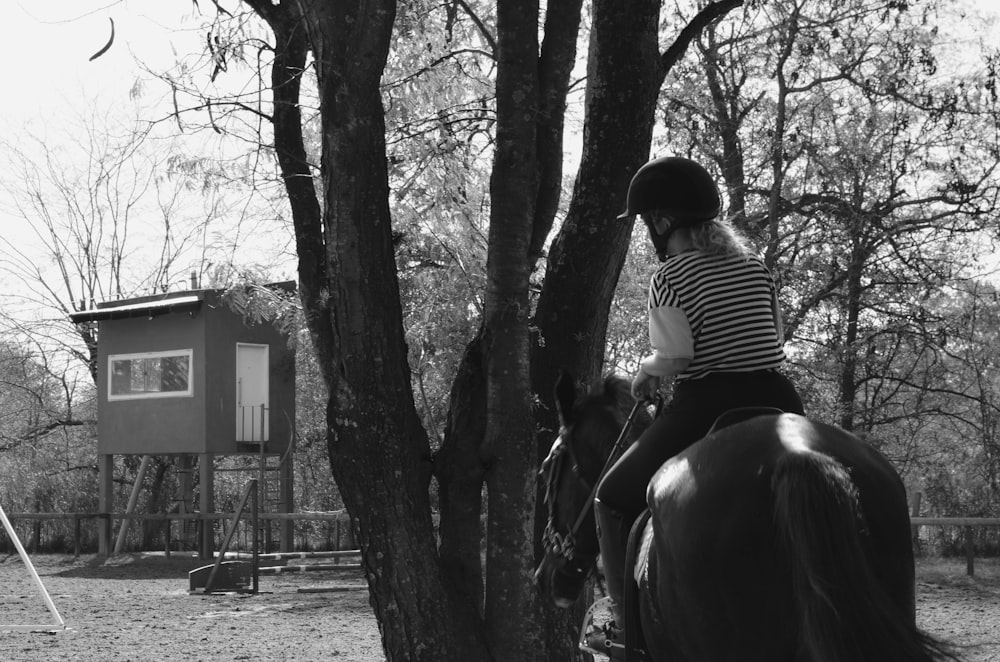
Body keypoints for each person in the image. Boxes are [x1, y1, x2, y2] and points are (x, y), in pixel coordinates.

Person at [581, 156, 805, 651]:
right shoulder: (755, 268)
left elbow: (677, 355)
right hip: (779, 396)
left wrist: (644, 374)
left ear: (662, 222)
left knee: (611, 496)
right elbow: (776, 340)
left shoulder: (672, 276)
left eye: (646, 223)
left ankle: (621, 627)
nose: (648, 232)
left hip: (708, 400)